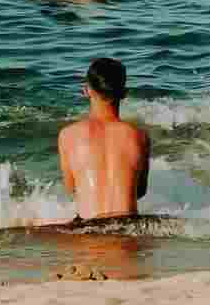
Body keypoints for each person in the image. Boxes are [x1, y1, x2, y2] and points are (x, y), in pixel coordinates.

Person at [58, 58, 151, 221]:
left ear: (86, 90)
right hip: (128, 232)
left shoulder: (67, 135)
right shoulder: (139, 136)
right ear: (124, 93)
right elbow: (140, 192)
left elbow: (71, 188)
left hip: (88, 234)